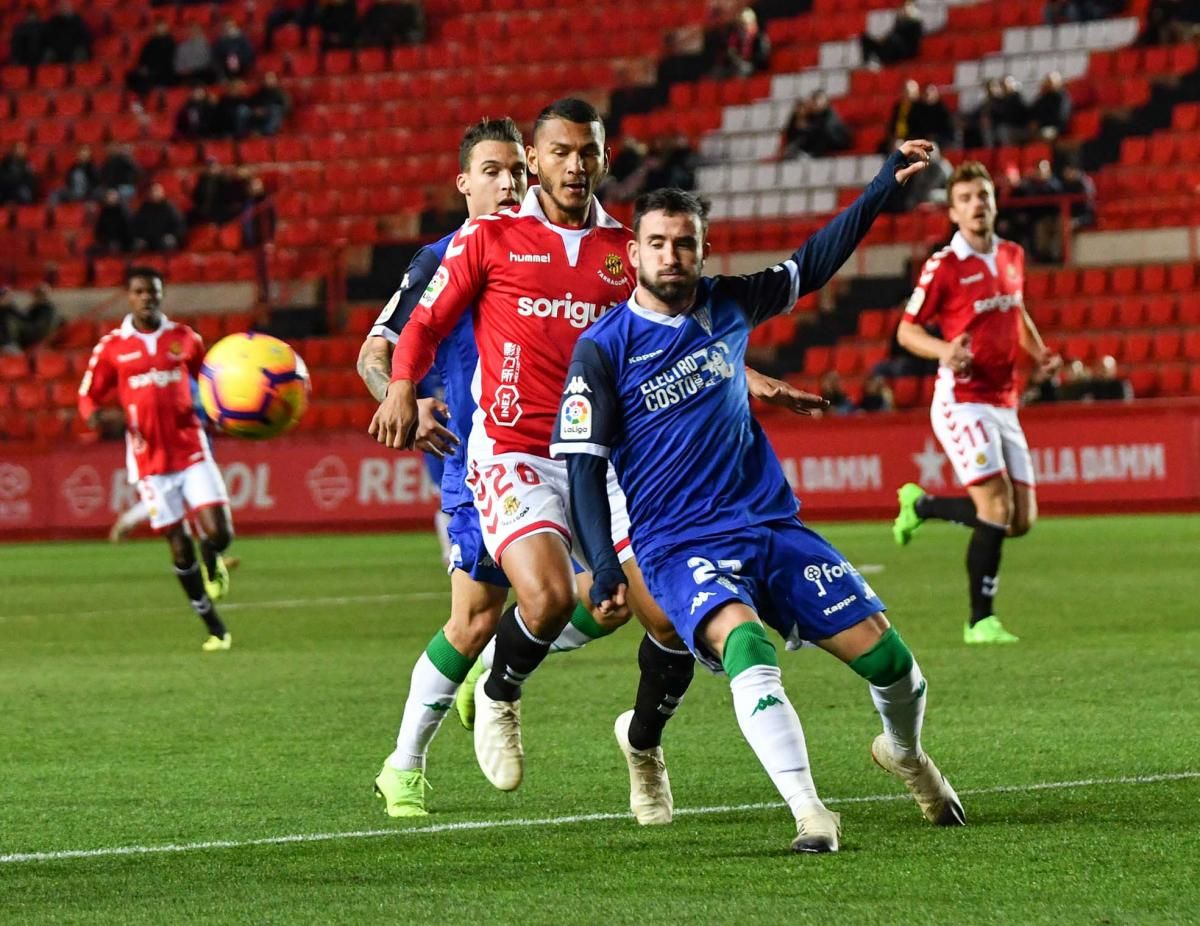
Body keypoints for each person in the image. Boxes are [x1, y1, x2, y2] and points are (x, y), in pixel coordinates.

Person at [371, 99, 819, 820]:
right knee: (543, 597)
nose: (575, 166)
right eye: (560, 153)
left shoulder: (626, 249)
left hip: (606, 456)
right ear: (536, 162)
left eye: (589, 153)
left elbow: (677, 330)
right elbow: (423, 323)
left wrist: (749, 376)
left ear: (605, 160)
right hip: (513, 451)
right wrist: (399, 387)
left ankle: (624, 735)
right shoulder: (488, 238)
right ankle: (496, 693)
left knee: (654, 613)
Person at [557, 163, 966, 854]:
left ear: (703, 250)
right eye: (656, 242)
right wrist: (603, 567)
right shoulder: (601, 350)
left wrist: (882, 188)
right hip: (677, 543)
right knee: (747, 644)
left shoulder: (732, 303)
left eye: (684, 243)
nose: (670, 256)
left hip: (772, 526)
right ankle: (811, 813)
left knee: (894, 664)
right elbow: (582, 468)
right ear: (633, 254)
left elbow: (816, 260)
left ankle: (904, 754)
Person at [893, 161, 1061, 645]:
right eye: (966, 199)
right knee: (995, 505)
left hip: (1003, 400)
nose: (977, 205)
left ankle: (921, 505)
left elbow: (1018, 310)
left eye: (983, 196)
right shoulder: (943, 266)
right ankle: (979, 620)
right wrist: (944, 350)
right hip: (962, 400)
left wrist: (1039, 353)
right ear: (953, 211)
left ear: (994, 202)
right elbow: (906, 331)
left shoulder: (1011, 254)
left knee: (1021, 520)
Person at [77, 266, 236, 651]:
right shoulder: (112, 346)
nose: (147, 297)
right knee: (178, 546)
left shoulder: (184, 338)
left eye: (153, 291)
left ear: (161, 295)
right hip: (149, 461)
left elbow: (211, 382)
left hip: (191, 447)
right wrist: (97, 418)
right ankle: (214, 627)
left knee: (220, 533)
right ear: (129, 297)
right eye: (139, 291)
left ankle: (212, 557)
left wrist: (226, 410)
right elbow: (87, 396)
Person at [860, 1, 923, 68]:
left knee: (892, 40)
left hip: (905, 51)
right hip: (891, 46)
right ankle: (868, 62)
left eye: (907, 6)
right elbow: (892, 32)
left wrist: (887, 38)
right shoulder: (897, 19)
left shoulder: (915, 22)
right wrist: (880, 39)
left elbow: (911, 42)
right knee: (866, 37)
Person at [132, 182, 186, 252]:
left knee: (168, 242)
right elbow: (137, 225)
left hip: (164, 238)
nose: (154, 193)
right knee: (137, 244)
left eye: (157, 191)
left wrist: (172, 235)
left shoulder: (169, 208)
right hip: (149, 239)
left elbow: (179, 225)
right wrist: (140, 237)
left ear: (162, 193)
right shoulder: (144, 208)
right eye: (152, 191)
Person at [127, 21, 177, 94]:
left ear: (166, 29)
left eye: (162, 27)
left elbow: (167, 60)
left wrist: (150, 69)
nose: (159, 29)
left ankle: (143, 99)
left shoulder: (170, 42)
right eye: (158, 27)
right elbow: (143, 56)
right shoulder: (151, 41)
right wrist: (143, 67)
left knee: (146, 80)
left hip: (163, 71)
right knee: (131, 76)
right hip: (149, 69)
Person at [1030, 72, 1071, 140]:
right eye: (1046, 82)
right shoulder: (1044, 97)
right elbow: (1033, 111)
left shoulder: (1062, 98)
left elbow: (1059, 117)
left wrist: (1039, 123)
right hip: (1041, 127)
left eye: (1049, 82)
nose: (1047, 84)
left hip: (1055, 128)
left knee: (1040, 135)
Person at [92, 188, 133, 254]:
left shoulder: (123, 213)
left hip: (123, 244)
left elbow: (128, 230)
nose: (111, 198)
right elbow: (99, 231)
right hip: (106, 243)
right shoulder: (103, 213)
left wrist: (120, 242)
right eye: (109, 196)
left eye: (113, 195)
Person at [249, 72, 289, 136]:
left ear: (275, 80)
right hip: (260, 117)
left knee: (275, 109)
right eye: (266, 79)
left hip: (275, 117)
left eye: (271, 78)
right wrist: (256, 110)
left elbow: (286, 108)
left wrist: (267, 110)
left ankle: (268, 133)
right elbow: (252, 103)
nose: (268, 80)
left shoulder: (281, 94)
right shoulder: (259, 93)